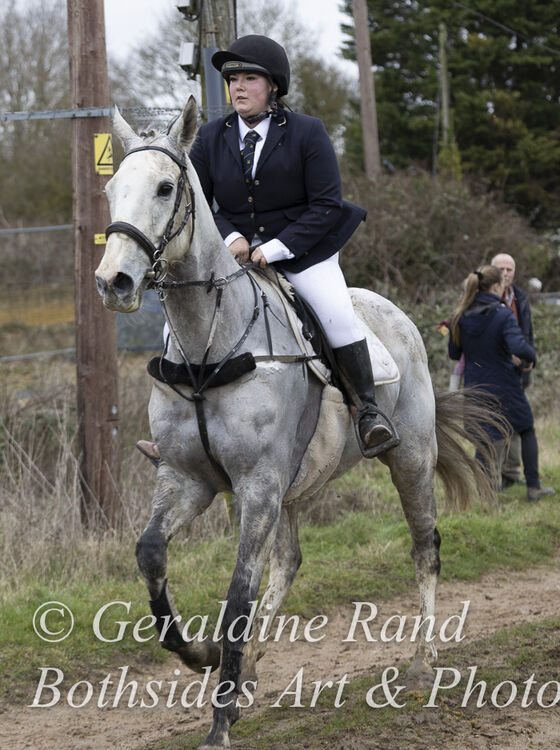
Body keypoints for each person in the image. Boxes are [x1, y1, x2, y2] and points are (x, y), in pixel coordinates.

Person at [137, 34, 399, 464]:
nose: (238, 87)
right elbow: (195, 203)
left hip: (304, 251)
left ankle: (368, 412)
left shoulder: (307, 132)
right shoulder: (210, 137)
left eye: (249, 79)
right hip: (234, 256)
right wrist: (231, 238)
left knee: (336, 315)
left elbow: (326, 205)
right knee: (174, 330)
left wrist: (275, 248)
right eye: (232, 80)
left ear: (273, 86)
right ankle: (175, 433)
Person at [448, 265, 554, 502]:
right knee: (526, 428)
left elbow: (454, 352)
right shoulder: (502, 313)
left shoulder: (461, 315)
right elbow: (518, 346)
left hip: (475, 386)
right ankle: (534, 487)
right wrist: (531, 357)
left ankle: (485, 493)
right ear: (496, 287)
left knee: (484, 438)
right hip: (505, 385)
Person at [490, 253, 534, 489]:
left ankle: (512, 473)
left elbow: (527, 331)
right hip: (494, 371)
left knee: (517, 422)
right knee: (492, 422)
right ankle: (490, 478)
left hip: (517, 371)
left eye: (510, 269)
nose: (506, 273)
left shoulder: (521, 297)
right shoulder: (484, 298)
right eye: (501, 269)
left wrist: (528, 358)